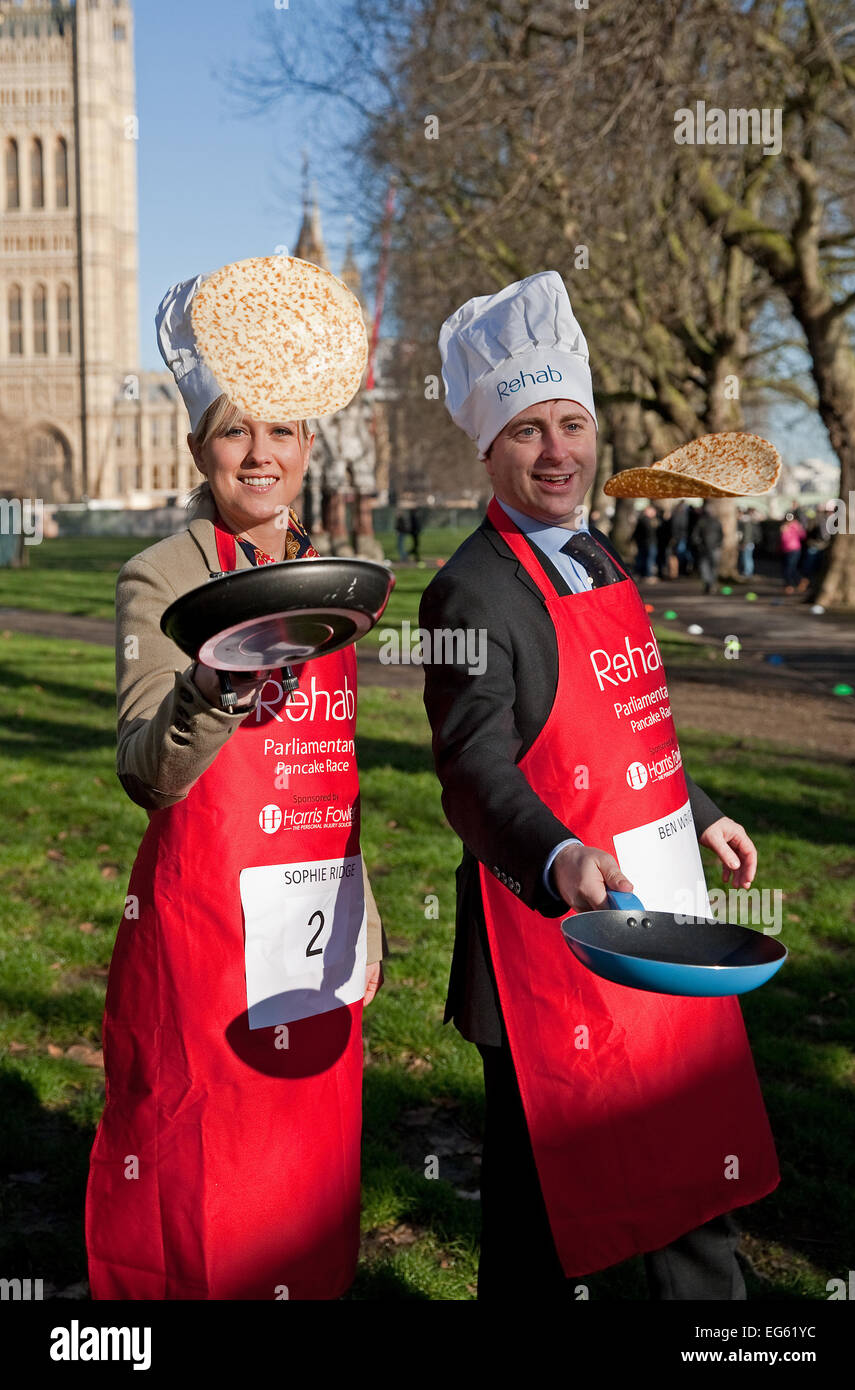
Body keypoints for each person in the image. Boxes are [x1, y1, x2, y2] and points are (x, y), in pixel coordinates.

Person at [422, 270, 778, 1302]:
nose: (555, 451)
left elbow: (631, 732)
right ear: (488, 449)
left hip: (657, 916)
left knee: (688, 1189)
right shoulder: (466, 588)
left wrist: (701, 814)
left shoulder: (601, 556)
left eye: (570, 424)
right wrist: (556, 853)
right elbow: (469, 769)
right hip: (546, 946)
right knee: (546, 1233)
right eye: (527, 430)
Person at [85, 268, 385, 1300]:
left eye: (283, 431)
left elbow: (331, 773)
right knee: (201, 1162)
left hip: (312, 929)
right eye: (233, 433)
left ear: (309, 446)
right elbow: (144, 771)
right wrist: (213, 686)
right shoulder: (160, 575)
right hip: (204, 929)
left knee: (303, 1173)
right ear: (197, 451)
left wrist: (368, 908)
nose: (260, 454)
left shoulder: (335, 574)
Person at [690, 499, 724, 594]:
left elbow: (721, 535)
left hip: (713, 548)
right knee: (706, 567)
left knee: (710, 567)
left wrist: (718, 544)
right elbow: (695, 535)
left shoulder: (715, 522)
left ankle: (710, 584)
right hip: (706, 548)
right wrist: (699, 544)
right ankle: (709, 583)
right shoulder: (703, 522)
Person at [779, 511, 807, 594]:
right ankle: (799, 581)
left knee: (789, 568)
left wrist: (797, 529)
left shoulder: (795, 526)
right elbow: (783, 540)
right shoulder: (784, 527)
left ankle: (790, 586)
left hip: (794, 549)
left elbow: (803, 536)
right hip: (785, 549)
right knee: (787, 568)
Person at [737, 509, 756, 578]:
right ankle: (747, 572)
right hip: (748, 542)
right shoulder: (747, 521)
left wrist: (744, 543)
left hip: (747, 543)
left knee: (747, 558)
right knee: (747, 557)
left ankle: (747, 572)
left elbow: (747, 534)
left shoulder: (745, 521)